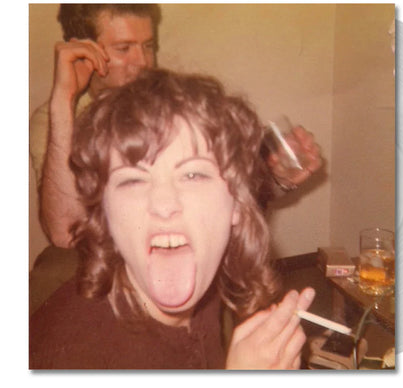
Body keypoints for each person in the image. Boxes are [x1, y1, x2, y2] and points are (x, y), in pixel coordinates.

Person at [29, 69, 316, 369]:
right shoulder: (68, 358)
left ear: (237, 204)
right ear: (105, 211)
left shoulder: (203, 281)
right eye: (133, 180)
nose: (164, 206)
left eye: (193, 175)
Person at [29, 4, 323, 249]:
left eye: (148, 46)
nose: (142, 62)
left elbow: (221, 193)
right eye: (123, 48)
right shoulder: (56, 120)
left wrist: (277, 178)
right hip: (107, 259)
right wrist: (63, 99)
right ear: (85, 52)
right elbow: (64, 232)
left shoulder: (172, 104)